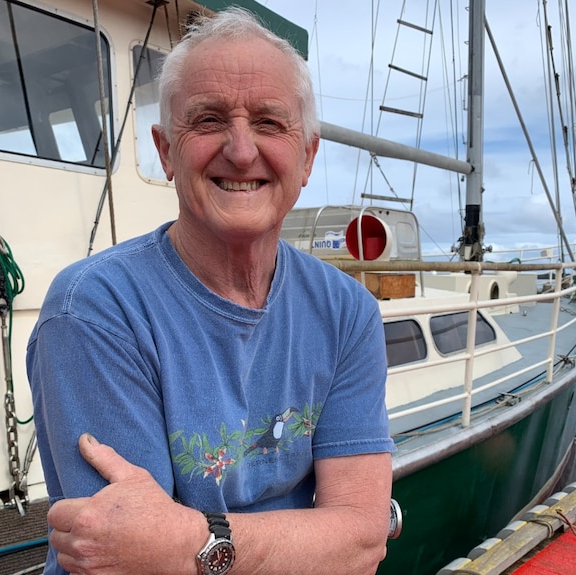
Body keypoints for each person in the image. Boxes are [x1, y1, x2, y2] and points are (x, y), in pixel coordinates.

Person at [26, 7, 394, 575]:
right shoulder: (95, 311)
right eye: (209, 120)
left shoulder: (347, 312)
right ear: (167, 150)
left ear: (308, 157)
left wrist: (189, 543)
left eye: (270, 123)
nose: (242, 151)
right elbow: (122, 562)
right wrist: (310, 543)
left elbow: (363, 541)